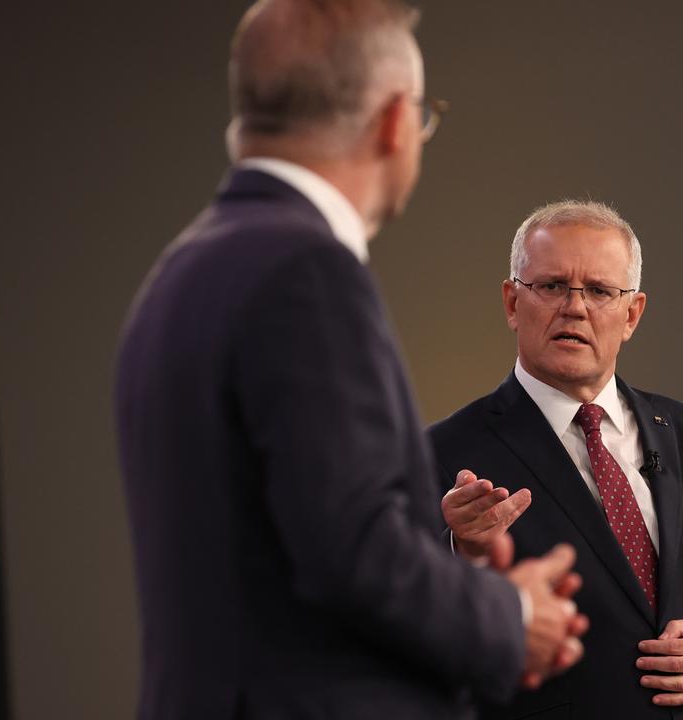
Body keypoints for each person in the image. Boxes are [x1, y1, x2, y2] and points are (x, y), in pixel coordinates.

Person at [114, 2, 586, 718]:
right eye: (425, 117)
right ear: (396, 121)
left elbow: (286, 540)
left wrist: (449, 566)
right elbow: (353, 557)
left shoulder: (183, 269)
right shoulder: (306, 271)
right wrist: (511, 617)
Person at [428, 200, 683, 719]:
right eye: (552, 286)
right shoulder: (442, 455)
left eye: (600, 291)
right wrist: (461, 553)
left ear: (631, 314)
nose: (575, 308)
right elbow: (393, 628)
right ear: (513, 303)